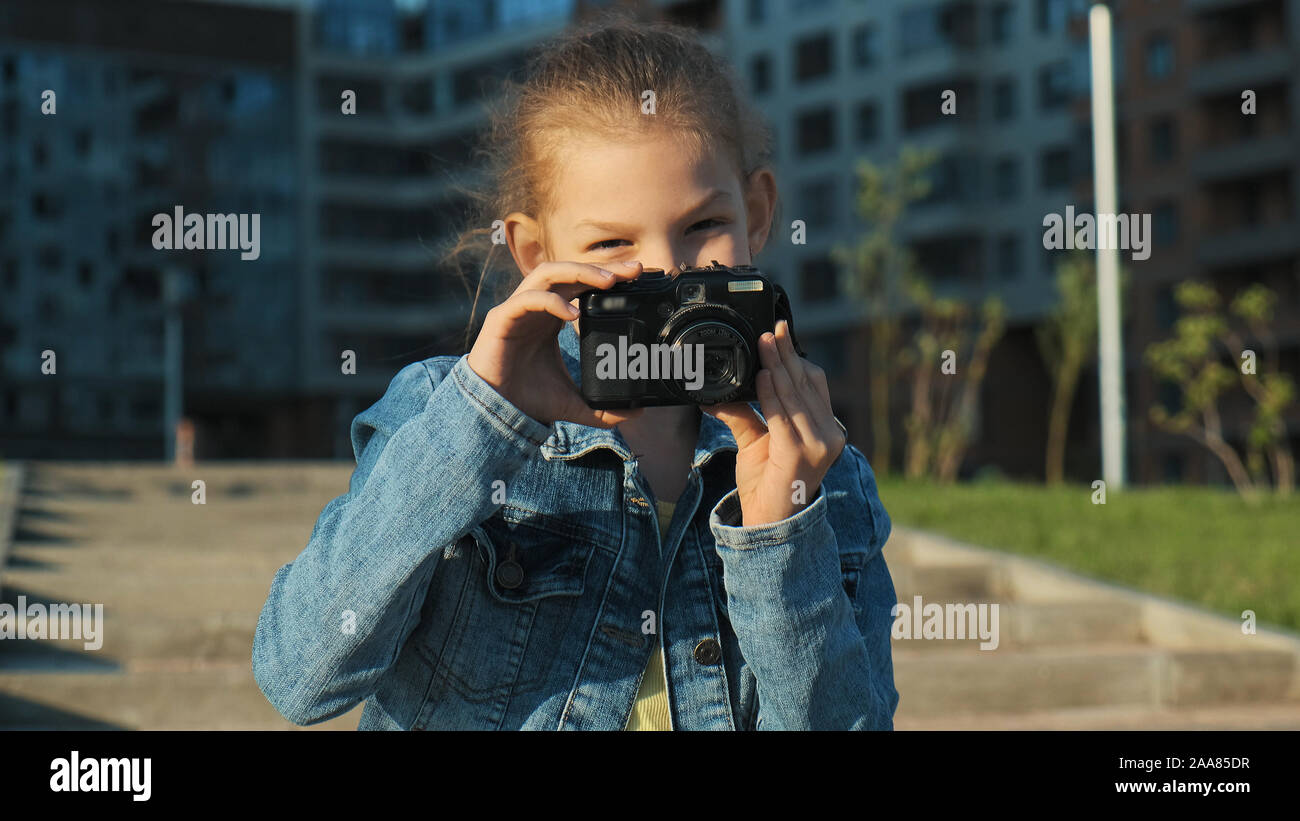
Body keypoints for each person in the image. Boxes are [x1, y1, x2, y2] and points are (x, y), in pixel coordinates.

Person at [253, 16, 899, 731]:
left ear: (758, 212)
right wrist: (481, 422)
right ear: (536, 252)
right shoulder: (443, 414)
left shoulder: (825, 477)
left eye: (701, 226)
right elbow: (300, 674)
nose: (668, 274)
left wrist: (781, 531)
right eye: (613, 242)